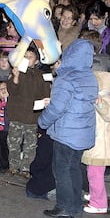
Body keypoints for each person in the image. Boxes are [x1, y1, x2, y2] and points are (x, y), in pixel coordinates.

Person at [39, 39, 98, 218]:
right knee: (73, 168)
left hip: (66, 133)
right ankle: (76, 205)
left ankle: (64, 206)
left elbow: (57, 108)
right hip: (82, 133)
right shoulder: (89, 76)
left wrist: (43, 121)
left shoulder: (66, 78)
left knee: (62, 170)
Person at [7, 47, 51, 176]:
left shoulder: (41, 75)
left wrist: (44, 103)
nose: (27, 58)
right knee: (14, 142)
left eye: (30, 56)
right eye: (24, 56)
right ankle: (13, 165)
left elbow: (45, 94)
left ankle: (26, 168)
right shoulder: (17, 72)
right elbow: (12, 90)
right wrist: (15, 77)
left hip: (32, 117)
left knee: (30, 145)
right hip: (17, 114)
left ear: (36, 61)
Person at [81, 71, 110, 214]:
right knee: (92, 173)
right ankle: (95, 196)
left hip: (101, 146)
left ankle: (99, 203)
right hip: (96, 143)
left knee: (95, 174)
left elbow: (108, 114)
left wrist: (99, 102)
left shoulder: (105, 98)